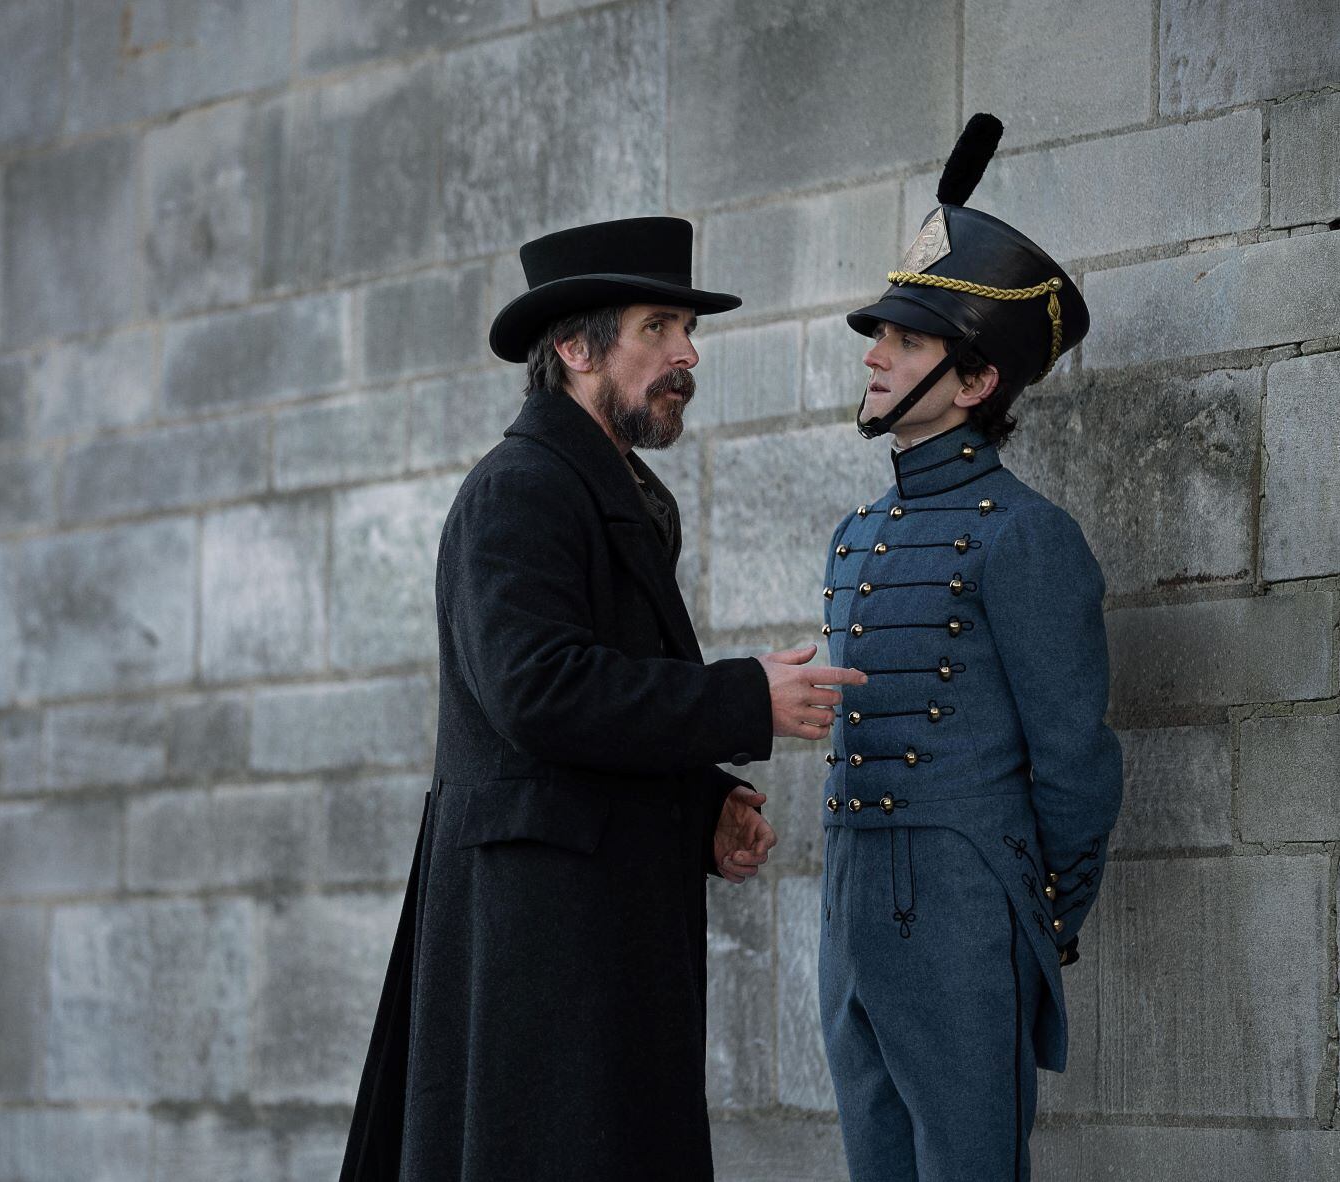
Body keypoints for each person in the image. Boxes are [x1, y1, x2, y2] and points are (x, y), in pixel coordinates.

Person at [340, 215, 866, 1181]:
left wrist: (701, 800)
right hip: (540, 940)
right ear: (577, 349)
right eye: (658, 328)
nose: (687, 355)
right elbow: (535, 693)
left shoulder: (611, 487)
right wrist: (743, 698)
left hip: (596, 924)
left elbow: (584, 705)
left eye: (686, 331)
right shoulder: (520, 488)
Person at [816, 114, 1123, 1181]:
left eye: (903, 340)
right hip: (851, 911)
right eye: (880, 333)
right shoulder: (857, 536)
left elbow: (1076, 763)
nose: (875, 352)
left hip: (960, 914)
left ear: (978, 381)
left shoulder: (1026, 538)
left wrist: (1030, 919)